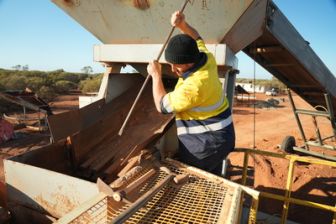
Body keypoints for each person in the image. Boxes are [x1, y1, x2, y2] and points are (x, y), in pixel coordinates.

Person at [147, 11, 235, 176]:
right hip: (222, 135)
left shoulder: (195, 86)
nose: (173, 70)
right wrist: (183, 25)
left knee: (195, 180)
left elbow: (161, 105)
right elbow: (197, 38)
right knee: (213, 176)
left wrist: (155, 75)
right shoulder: (206, 57)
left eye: (176, 66)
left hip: (207, 144)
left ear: (189, 63)